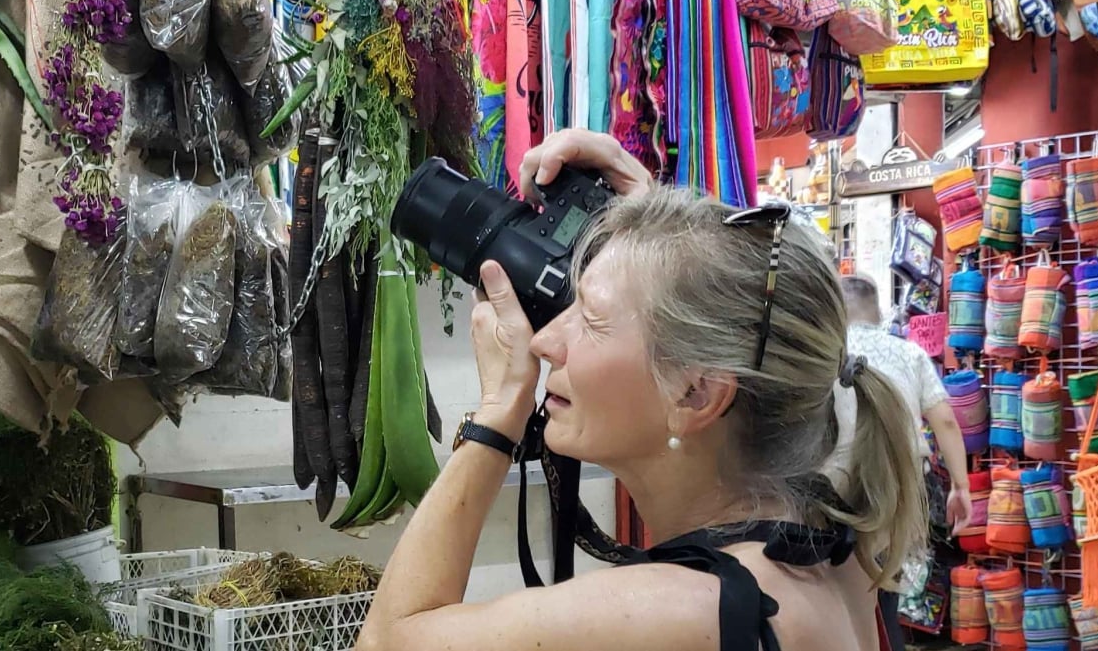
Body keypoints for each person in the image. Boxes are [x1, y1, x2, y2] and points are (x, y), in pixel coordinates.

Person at [356, 129, 927, 651]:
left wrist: (498, 412)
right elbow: (745, 320)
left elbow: (383, 642)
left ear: (696, 395)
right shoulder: (836, 548)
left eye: (591, 318)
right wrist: (657, 231)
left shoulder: (680, 612)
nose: (546, 341)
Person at [829, 275, 972, 651]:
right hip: (899, 485)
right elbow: (943, 420)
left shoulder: (826, 352)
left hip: (834, 487)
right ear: (877, 312)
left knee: (836, 588)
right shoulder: (909, 353)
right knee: (885, 592)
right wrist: (961, 486)